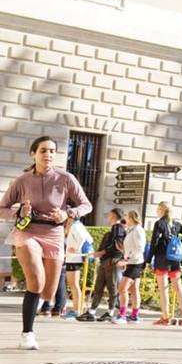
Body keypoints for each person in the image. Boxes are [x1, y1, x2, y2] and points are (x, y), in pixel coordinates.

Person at [1, 135, 93, 348]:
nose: (48, 155)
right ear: (34, 154)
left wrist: (68, 213)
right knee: (36, 281)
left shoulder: (65, 178)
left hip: (55, 234)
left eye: (52, 151)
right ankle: (27, 334)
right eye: (43, 150)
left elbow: (86, 205)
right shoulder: (22, 180)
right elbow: (1, 208)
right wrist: (18, 211)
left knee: (48, 292)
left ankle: (38, 305)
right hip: (28, 232)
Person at [148, 202, 182, 326]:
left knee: (163, 289)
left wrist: (148, 260)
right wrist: (178, 244)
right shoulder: (177, 224)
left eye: (158, 209)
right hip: (175, 259)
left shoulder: (159, 223)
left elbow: (154, 243)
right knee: (178, 288)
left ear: (161, 210)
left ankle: (165, 317)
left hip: (162, 258)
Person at [82, 209, 126, 322]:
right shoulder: (114, 229)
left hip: (111, 261)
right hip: (106, 261)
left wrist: (101, 253)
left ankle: (110, 312)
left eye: (109, 215)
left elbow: (116, 246)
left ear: (114, 216)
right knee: (99, 286)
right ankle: (92, 311)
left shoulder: (118, 228)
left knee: (112, 287)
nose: (107, 217)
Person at [114, 210, 146, 324]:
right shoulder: (132, 230)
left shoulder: (137, 230)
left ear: (132, 218)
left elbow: (140, 248)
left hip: (135, 263)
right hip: (134, 262)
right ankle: (134, 316)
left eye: (127, 216)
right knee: (133, 289)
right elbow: (133, 247)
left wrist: (126, 260)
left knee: (122, 288)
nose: (125, 218)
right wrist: (123, 250)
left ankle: (122, 315)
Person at [61, 215, 94, 320]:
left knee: (74, 285)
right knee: (73, 285)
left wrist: (76, 249)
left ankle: (76, 311)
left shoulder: (76, 226)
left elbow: (83, 238)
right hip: (73, 259)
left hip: (74, 259)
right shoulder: (77, 226)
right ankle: (76, 310)